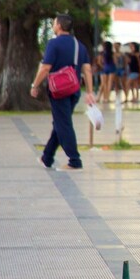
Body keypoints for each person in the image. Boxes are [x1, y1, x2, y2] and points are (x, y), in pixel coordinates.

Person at [30, 14, 96, 170]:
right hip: (74, 90)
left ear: (59, 25)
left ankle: (75, 160)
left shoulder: (54, 44)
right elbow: (87, 70)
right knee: (60, 123)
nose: (53, 25)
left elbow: (45, 67)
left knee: (63, 124)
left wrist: (35, 85)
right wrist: (90, 92)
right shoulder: (79, 45)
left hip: (59, 90)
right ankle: (47, 158)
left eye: (54, 23)